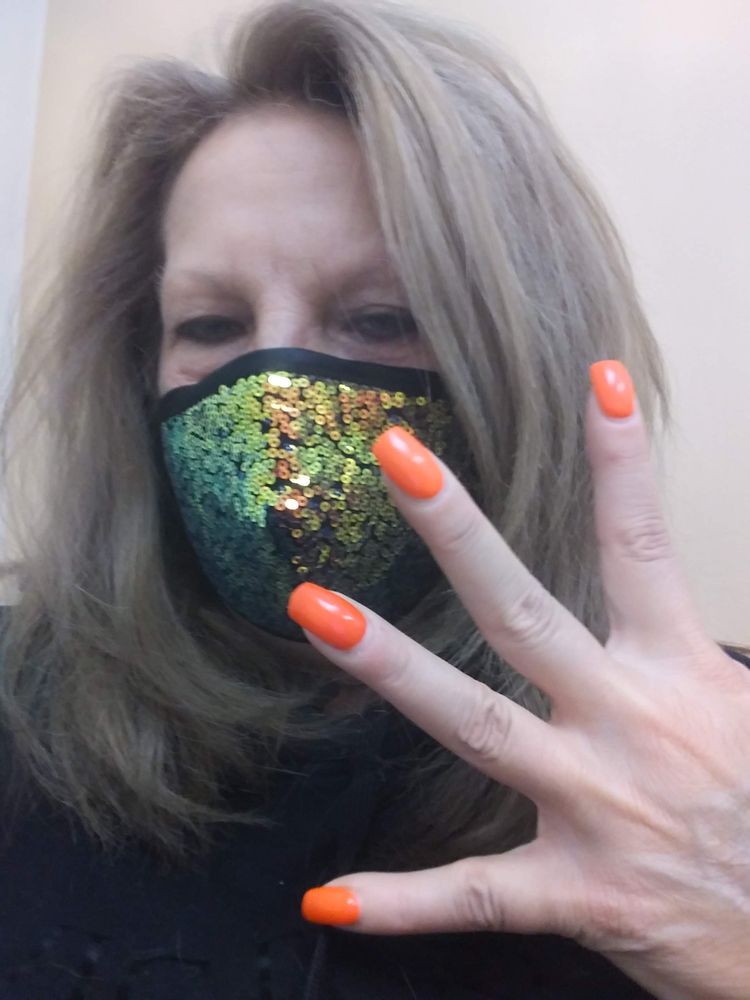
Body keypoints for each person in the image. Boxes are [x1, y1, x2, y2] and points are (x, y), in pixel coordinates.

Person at [1, 0, 748, 997]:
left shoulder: (720, 760)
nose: (280, 410)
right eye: (212, 325)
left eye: (381, 316)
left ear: (519, 356)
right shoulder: (21, 708)